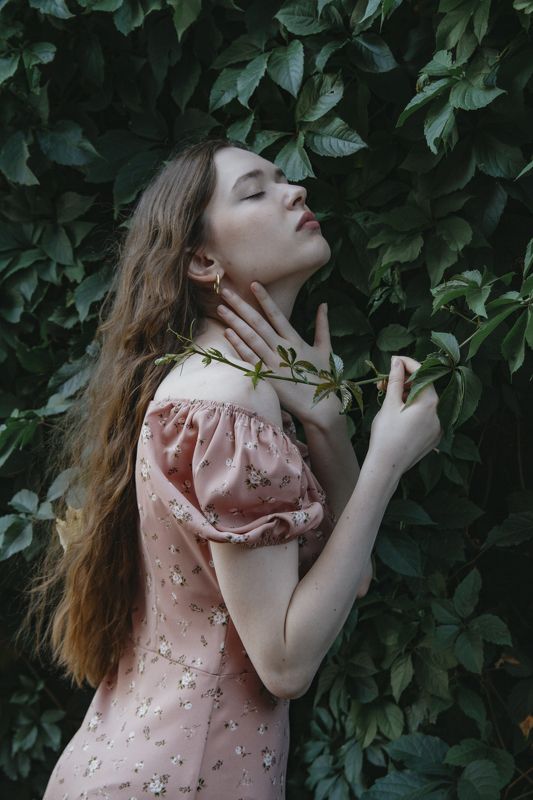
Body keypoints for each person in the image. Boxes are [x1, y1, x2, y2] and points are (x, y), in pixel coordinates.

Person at [31, 138, 442, 800]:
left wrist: (327, 423)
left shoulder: (214, 388)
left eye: (283, 179)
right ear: (202, 260)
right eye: (255, 191)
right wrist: (386, 460)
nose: (295, 190)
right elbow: (285, 663)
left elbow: (351, 576)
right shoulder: (228, 403)